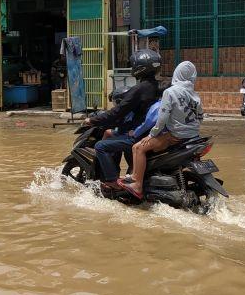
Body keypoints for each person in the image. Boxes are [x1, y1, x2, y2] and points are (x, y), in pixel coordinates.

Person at [124, 61, 205, 199]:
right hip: (194, 137)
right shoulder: (195, 95)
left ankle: (137, 184)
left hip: (175, 136)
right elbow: (200, 117)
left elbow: (162, 118)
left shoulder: (170, 92)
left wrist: (151, 135)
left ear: (177, 73)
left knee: (138, 148)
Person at [86, 50, 162, 185]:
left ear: (139, 68)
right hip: (153, 134)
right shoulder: (160, 86)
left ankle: (111, 183)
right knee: (113, 135)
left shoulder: (139, 89)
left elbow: (117, 112)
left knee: (100, 146)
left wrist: (92, 120)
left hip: (138, 135)